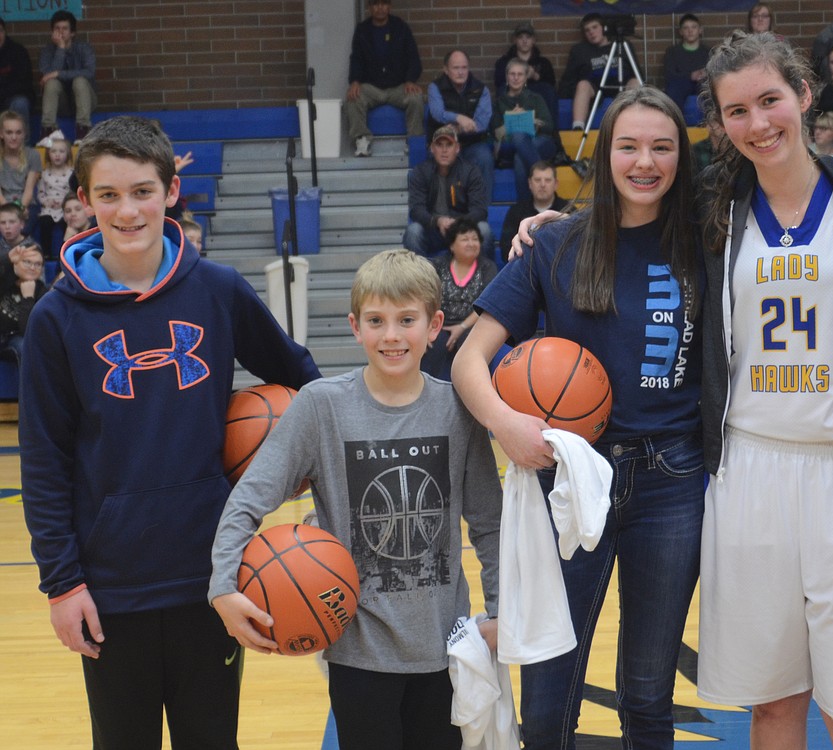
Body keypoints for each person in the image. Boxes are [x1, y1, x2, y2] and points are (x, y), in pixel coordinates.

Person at [18, 116, 320, 750]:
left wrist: (319, 470)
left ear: (171, 191)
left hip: (213, 578)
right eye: (108, 194)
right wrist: (63, 584)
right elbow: (44, 462)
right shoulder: (55, 319)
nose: (127, 210)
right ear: (83, 200)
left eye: (143, 191)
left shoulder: (217, 291)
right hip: (109, 588)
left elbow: (304, 382)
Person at [451, 86, 703, 750]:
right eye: (628, 146)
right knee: (550, 695)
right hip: (565, 478)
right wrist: (507, 424)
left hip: (673, 479)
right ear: (604, 155)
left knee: (648, 694)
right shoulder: (556, 244)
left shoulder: (707, 240)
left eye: (661, 146)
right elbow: (468, 362)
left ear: (681, 155)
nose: (644, 161)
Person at [696, 31, 833, 748]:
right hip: (748, 467)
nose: (758, 124)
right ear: (721, 123)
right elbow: (621, 226)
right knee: (773, 706)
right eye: (737, 111)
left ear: (804, 94)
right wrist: (547, 230)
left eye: (770, 100)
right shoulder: (710, 205)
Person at [209, 247, 501, 749]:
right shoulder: (321, 406)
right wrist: (221, 585)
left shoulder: (458, 406)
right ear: (355, 326)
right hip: (356, 653)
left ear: (434, 326)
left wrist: (501, 610)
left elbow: (490, 522)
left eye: (407, 320)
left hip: (447, 648)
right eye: (376, 320)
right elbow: (249, 497)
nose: (391, 335)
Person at [345, 0, 425, 157]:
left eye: (384, 3)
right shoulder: (362, 30)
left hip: (398, 87)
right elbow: (356, 59)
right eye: (375, 4)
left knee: (416, 97)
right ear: (369, 8)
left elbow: (413, 58)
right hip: (372, 88)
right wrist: (354, 81)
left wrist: (410, 80)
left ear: (390, 6)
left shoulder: (401, 27)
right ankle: (361, 140)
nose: (380, 8)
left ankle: (414, 141)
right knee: (353, 97)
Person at [421, 219, 498, 380]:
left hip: (474, 323)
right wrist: (428, 327)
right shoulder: (439, 265)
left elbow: (488, 304)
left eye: (475, 239)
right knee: (432, 342)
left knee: (472, 343)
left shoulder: (487, 267)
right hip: (440, 323)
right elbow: (426, 297)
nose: (471, 243)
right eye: (465, 239)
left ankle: (475, 394)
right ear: (451, 245)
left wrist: (462, 326)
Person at [404, 124, 493, 258]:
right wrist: (438, 221)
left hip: (464, 230)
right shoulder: (420, 172)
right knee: (413, 231)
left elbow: (480, 210)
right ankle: (420, 278)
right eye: (439, 145)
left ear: (457, 148)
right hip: (433, 230)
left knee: (484, 229)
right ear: (432, 149)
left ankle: (484, 277)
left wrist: (458, 222)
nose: (444, 150)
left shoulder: (470, 172)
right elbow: (416, 210)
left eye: (449, 145)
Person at [427, 49, 495, 203]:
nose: (460, 72)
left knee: (485, 157)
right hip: (443, 143)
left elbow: (482, 124)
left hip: (473, 143)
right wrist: (459, 117)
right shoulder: (435, 87)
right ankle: (443, 210)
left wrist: (457, 128)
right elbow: (437, 113)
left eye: (464, 68)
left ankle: (484, 210)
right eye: (456, 68)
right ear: (445, 69)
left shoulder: (481, 89)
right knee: (438, 155)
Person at [559, 13, 640, 131]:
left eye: (595, 27)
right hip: (594, 89)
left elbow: (637, 72)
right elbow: (569, 79)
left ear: (604, 28)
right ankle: (578, 127)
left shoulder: (622, 45)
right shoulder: (579, 51)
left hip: (622, 87)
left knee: (635, 82)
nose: (591, 32)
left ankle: (638, 125)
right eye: (587, 30)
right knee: (583, 84)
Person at [492, 59, 558, 204]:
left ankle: (525, 208)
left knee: (519, 159)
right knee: (518, 136)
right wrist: (514, 120)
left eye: (520, 74)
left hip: (541, 141)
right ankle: (544, 179)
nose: (516, 78)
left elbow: (549, 127)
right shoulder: (499, 102)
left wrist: (529, 121)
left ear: (525, 77)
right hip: (509, 146)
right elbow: (495, 132)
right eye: (512, 74)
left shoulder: (536, 98)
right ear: (507, 76)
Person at [38, 10, 96, 140]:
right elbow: (47, 77)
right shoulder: (47, 51)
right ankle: (48, 131)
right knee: (51, 83)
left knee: (79, 80)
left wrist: (58, 73)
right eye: (57, 28)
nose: (60, 32)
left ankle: (83, 132)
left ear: (73, 32)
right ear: (52, 32)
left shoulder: (84, 48)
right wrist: (61, 49)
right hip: (60, 103)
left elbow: (89, 72)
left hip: (86, 101)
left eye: (65, 29)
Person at [499, 160, 568, 262]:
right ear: (530, 183)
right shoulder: (516, 211)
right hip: (525, 270)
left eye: (548, 180)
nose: (543, 184)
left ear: (556, 184)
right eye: (537, 180)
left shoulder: (568, 210)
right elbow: (506, 250)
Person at [493, 22, 558, 123]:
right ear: (515, 40)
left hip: (535, 94)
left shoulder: (543, 62)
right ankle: (505, 126)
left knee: (548, 90)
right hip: (513, 93)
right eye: (520, 37)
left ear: (533, 40)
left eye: (528, 37)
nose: (524, 40)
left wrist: (535, 76)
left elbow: (551, 83)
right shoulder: (504, 61)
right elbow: (498, 81)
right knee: (502, 89)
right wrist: (517, 75)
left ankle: (550, 129)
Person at [0, 243, 45, 362]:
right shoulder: (5, 278)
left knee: (25, 346)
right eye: (27, 262)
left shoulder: (42, 292)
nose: (32, 267)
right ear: (16, 263)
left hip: (15, 337)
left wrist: (28, 298)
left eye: (38, 264)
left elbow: (29, 331)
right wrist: (7, 259)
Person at [662, 14, 710, 113]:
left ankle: (711, 122)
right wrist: (690, 76)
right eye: (686, 28)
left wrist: (705, 74)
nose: (690, 31)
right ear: (681, 32)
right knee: (674, 87)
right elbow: (669, 75)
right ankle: (678, 122)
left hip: (702, 85)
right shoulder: (672, 52)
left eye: (694, 27)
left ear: (700, 30)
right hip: (681, 86)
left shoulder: (708, 52)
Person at [35, 135, 72, 258]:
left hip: (65, 207)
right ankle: (46, 253)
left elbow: (73, 193)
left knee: (66, 223)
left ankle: (65, 252)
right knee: (45, 222)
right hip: (49, 207)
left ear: (67, 154)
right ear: (48, 154)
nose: (57, 155)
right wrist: (46, 202)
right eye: (53, 151)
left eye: (61, 151)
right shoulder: (45, 174)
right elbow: (41, 193)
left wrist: (65, 203)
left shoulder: (71, 173)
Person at [0, 110, 40, 212]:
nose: (14, 137)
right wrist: (9, 212)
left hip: (26, 206)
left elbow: (29, 190)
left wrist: (20, 210)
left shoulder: (33, 155)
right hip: (2, 205)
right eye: (9, 132)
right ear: (1, 134)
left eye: (18, 132)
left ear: (24, 134)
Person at [0, 18, 35, 134]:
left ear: (5, 32)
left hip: (13, 98)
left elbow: (24, 84)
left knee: (20, 103)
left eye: (0, 31)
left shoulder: (18, 51)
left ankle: (24, 148)